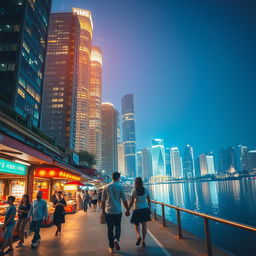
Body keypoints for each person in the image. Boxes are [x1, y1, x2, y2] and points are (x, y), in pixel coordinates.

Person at [102, 172, 130, 253]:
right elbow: (124, 200)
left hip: (108, 212)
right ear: (119, 178)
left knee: (110, 229)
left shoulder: (106, 187)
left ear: (112, 177)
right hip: (118, 211)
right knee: (118, 226)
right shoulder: (120, 187)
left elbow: (103, 201)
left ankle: (111, 247)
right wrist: (127, 210)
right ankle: (116, 239)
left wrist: (103, 211)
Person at [128, 177, 151, 247]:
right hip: (145, 209)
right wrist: (150, 208)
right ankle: (143, 241)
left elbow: (131, 202)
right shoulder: (146, 190)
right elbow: (149, 200)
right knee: (144, 225)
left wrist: (128, 209)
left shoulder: (134, 190)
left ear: (135, 183)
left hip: (137, 209)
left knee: (136, 224)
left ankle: (138, 236)